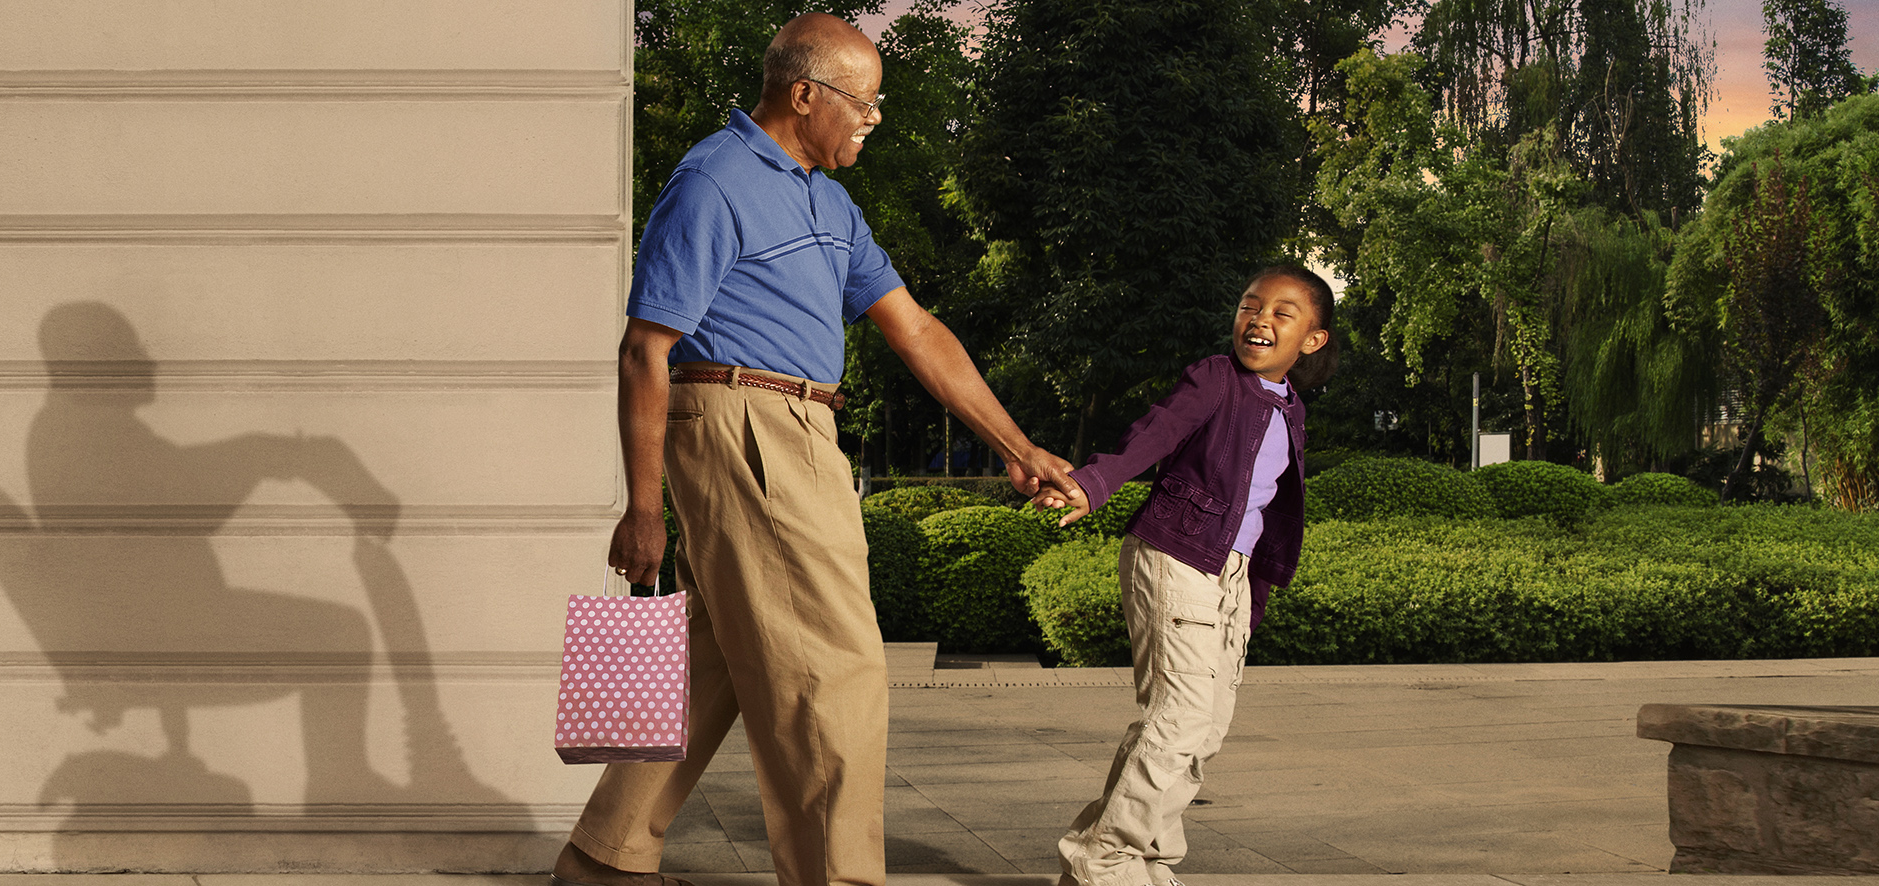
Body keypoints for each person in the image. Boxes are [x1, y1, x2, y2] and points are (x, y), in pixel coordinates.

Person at [551, 13, 1079, 886]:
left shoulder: (825, 199)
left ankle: (603, 856)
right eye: (863, 103)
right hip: (744, 423)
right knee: (833, 669)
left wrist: (1016, 448)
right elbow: (645, 349)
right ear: (804, 95)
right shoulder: (713, 182)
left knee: (718, 655)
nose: (874, 120)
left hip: (799, 428)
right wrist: (644, 507)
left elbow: (916, 330)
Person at [1043, 266, 1342, 886]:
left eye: (1283, 313)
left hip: (1229, 574)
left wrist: (1251, 596)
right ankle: (1105, 860)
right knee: (1176, 719)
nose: (1259, 319)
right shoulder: (1215, 380)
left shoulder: (1291, 409)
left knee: (1203, 730)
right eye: (1250, 306)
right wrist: (1092, 485)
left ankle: (1147, 858)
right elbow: (1153, 436)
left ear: (1313, 339)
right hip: (1177, 553)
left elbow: (1265, 511)